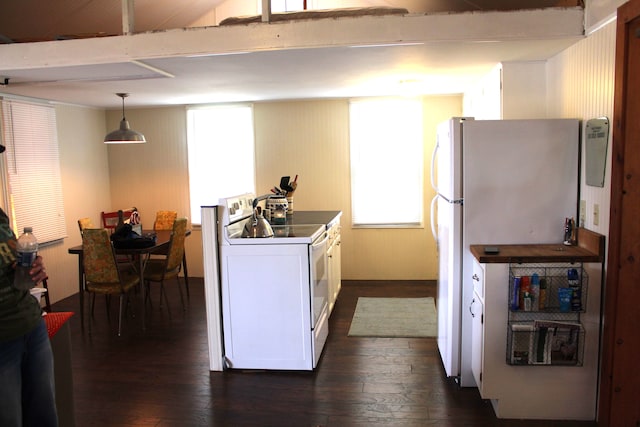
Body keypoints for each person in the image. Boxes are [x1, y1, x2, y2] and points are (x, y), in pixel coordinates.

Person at [0, 142, 58, 427]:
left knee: (44, 415)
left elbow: (11, 263)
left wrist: (32, 267)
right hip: (2, 337)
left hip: (31, 325)